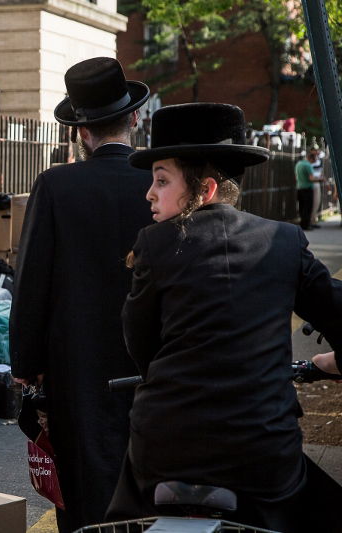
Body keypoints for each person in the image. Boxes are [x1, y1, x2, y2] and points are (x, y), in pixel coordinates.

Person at [106, 103, 342, 532]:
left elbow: (141, 349)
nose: (149, 193)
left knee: (125, 519)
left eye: (161, 180)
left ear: (205, 189)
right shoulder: (285, 241)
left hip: (165, 448)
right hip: (263, 455)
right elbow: (336, 311)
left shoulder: (154, 245)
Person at [9, 56, 153, 531]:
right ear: (133, 118)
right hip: (150, 351)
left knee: (84, 474)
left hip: (75, 357)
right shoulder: (159, 184)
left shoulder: (55, 184)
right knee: (147, 461)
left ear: (79, 132)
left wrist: (25, 366)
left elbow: (32, 280)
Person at [295, 149, 317, 230]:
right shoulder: (308, 165)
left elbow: (296, 177)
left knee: (301, 207)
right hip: (307, 189)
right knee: (308, 208)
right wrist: (320, 179)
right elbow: (311, 178)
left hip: (299, 188)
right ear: (311, 159)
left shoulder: (298, 164)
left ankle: (302, 224)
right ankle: (306, 225)